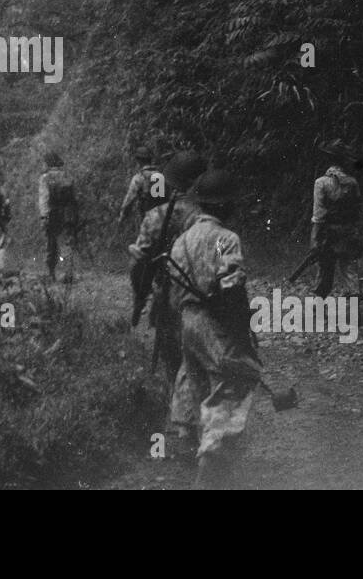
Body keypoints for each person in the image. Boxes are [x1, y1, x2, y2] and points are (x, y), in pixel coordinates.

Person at [166, 169, 260, 489]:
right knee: (232, 384)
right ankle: (208, 473)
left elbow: (173, 294)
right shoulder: (224, 239)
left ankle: (202, 459)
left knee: (199, 389)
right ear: (225, 206)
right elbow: (230, 286)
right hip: (214, 321)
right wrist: (242, 332)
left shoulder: (182, 240)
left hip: (188, 320)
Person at [127, 151, 205, 384]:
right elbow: (220, 253)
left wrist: (141, 295)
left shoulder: (155, 216)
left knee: (172, 358)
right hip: (203, 294)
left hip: (169, 295)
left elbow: (140, 263)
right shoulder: (207, 215)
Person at [302, 140, 363, 302]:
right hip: (349, 232)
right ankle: (355, 310)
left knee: (324, 271)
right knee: (349, 269)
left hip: (328, 234)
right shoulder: (352, 182)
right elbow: (357, 211)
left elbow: (318, 216)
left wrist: (314, 241)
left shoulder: (321, 183)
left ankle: (318, 305)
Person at [37, 151, 79, 281]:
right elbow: (74, 198)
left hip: (52, 214)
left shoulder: (45, 178)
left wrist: (43, 216)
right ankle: (69, 274)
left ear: (48, 163)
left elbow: (44, 198)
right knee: (67, 243)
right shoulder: (67, 176)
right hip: (67, 214)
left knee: (51, 245)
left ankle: (51, 273)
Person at [118, 146, 164, 227]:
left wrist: (122, 218)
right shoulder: (160, 175)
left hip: (147, 219)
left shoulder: (139, 177)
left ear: (139, 160)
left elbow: (129, 201)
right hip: (161, 218)